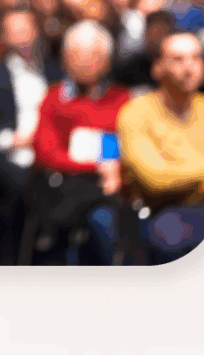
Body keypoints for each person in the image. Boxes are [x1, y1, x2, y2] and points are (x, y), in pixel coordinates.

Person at [27, 21, 132, 265]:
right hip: (66, 187)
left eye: (94, 54)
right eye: (76, 54)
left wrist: (117, 169)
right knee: (96, 220)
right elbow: (45, 153)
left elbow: (134, 149)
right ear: (64, 58)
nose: (84, 61)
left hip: (114, 187)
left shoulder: (124, 99)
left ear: (107, 59)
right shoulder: (53, 98)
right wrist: (97, 166)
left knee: (109, 220)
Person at [116, 32, 204, 264]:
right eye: (178, 59)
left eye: (196, 58)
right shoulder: (136, 113)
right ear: (157, 68)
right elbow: (155, 179)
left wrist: (191, 175)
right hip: (161, 212)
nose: (189, 67)